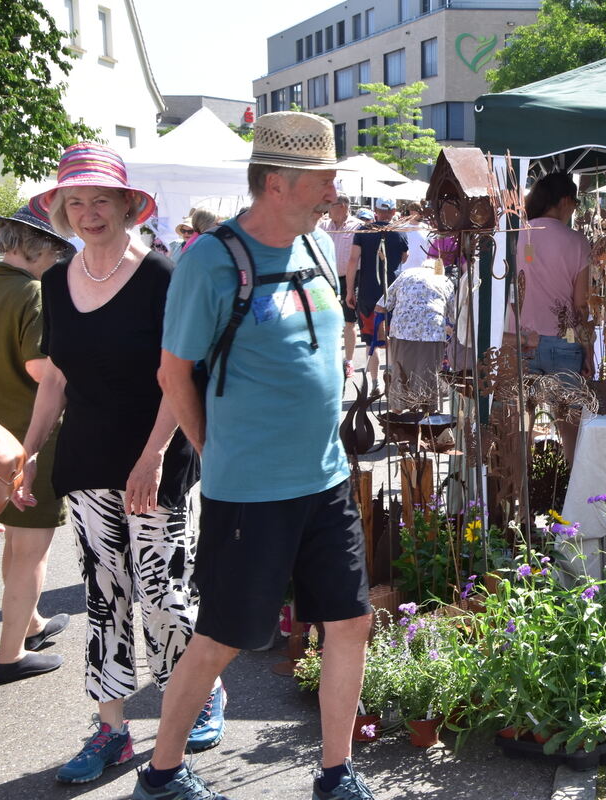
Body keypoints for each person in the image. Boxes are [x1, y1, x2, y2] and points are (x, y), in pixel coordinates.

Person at [141, 111, 373, 800]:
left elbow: (332, 339)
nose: (333, 191)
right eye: (323, 180)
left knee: (350, 621)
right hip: (250, 490)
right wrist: (214, 452)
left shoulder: (321, 248)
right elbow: (173, 373)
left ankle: (336, 773)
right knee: (224, 638)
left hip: (325, 478)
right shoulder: (211, 260)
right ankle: (161, 774)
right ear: (276, 182)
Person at [14, 142, 209, 784]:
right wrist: (32, 448)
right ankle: (113, 730)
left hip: (158, 453)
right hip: (89, 457)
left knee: (163, 594)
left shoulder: (163, 275)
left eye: (102, 199)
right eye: (76, 201)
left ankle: (200, 697)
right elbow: (55, 378)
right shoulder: (53, 281)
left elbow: (176, 376)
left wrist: (153, 457)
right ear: (62, 210)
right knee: (105, 595)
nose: (89, 212)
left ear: (129, 204)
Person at [0, 207, 76, 685]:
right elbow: (42, 373)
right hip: (27, 439)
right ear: (39, 247)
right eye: (58, 248)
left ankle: (32, 622)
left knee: (16, 539)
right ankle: (11, 656)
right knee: (30, 549)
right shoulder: (31, 294)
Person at [509, 170, 592, 386]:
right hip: (564, 339)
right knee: (567, 414)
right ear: (565, 200)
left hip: (520, 337)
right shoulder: (577, 242)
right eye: (575, 202)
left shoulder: (517, 235)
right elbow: (581, 304)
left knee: (519, 415)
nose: (575, 208)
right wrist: (588, 349)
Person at [346, 198, 408, 391]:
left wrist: (349, 290)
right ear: (394, 211)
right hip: (393, 293)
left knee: (370, 340)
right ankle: (392, 378)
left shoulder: (363, 231)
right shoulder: (400, 232)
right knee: (393, 339)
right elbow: (405, 257)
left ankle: (375, 383)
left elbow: (353, 260)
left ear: (375, 210)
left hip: (367, 292)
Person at [376, 257, 455, 406]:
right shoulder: (444, 280)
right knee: (429, 375)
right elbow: (454, 315)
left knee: (401, 372)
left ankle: (398, 410)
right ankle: (428, 415)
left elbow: (381, 306)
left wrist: (381, 334)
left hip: (401, 330)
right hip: (431, 332)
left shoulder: (406, 274)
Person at [319, 194, 362, 378]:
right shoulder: (323, 226)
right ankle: (327, 358)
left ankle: (349, 361)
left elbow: (356, 259)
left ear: (343, 206)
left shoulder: (357, 226)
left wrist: (351, 289)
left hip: (349, 279)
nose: (328, 209)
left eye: (332, 205)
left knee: (349, 321)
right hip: (326, 278)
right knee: (325, 319)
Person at [398, 201, 433, 274]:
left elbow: (431, 249)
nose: (421, 214)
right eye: (418, 212)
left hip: (422, 271)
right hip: (405, 270)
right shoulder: (401, 228)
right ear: (411, 212)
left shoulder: (428, 228)